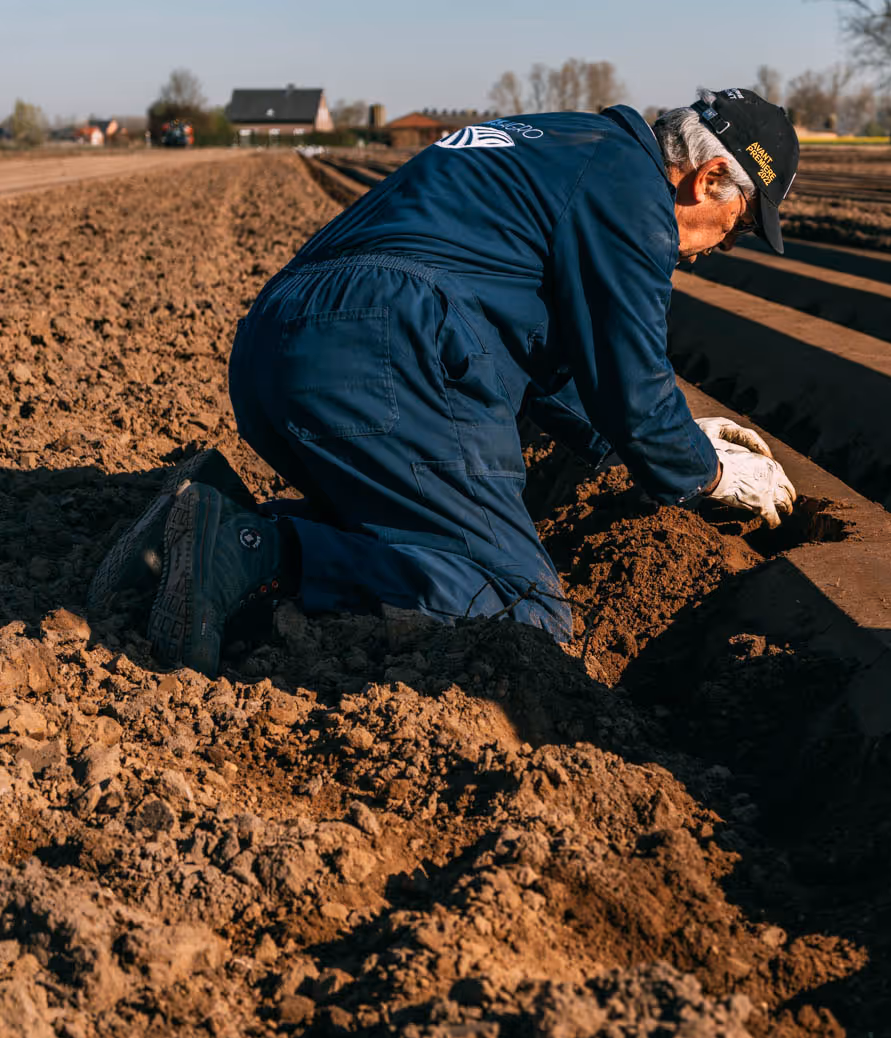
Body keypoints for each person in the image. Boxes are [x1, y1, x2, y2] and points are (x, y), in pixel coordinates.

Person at [91, 88, 801, 676]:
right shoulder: (633, 192)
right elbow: (633, 379)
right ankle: (258, 550)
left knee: (405, 532)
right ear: (707, 179)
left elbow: (558, 363)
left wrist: (650, 440)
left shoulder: (564, 142)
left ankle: (207, 521)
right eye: (733, 229)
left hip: (277, 342)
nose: (719, 250)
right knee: (519, 604)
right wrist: (704, 473)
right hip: (389, 343)